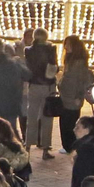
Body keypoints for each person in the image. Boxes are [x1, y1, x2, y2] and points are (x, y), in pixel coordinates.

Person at [22, 28, 59, 156]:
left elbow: (28, 67)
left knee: (31, 116)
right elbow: (54, 67)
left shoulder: (28, 50)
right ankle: (45, 149)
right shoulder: (51, 49)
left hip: (34, 85)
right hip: (48, 86)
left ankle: (27, 146)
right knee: (47, 117)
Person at [56, 35, 94, 153]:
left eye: (68, 44)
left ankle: (70, 145)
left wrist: (79, 96)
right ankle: (68, 145)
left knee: (70, 122)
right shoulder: (70, 60)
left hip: (73, 97)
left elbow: (82, 81)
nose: (66, 47)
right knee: (65, 121)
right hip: (66, 95)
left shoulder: (79, 63)